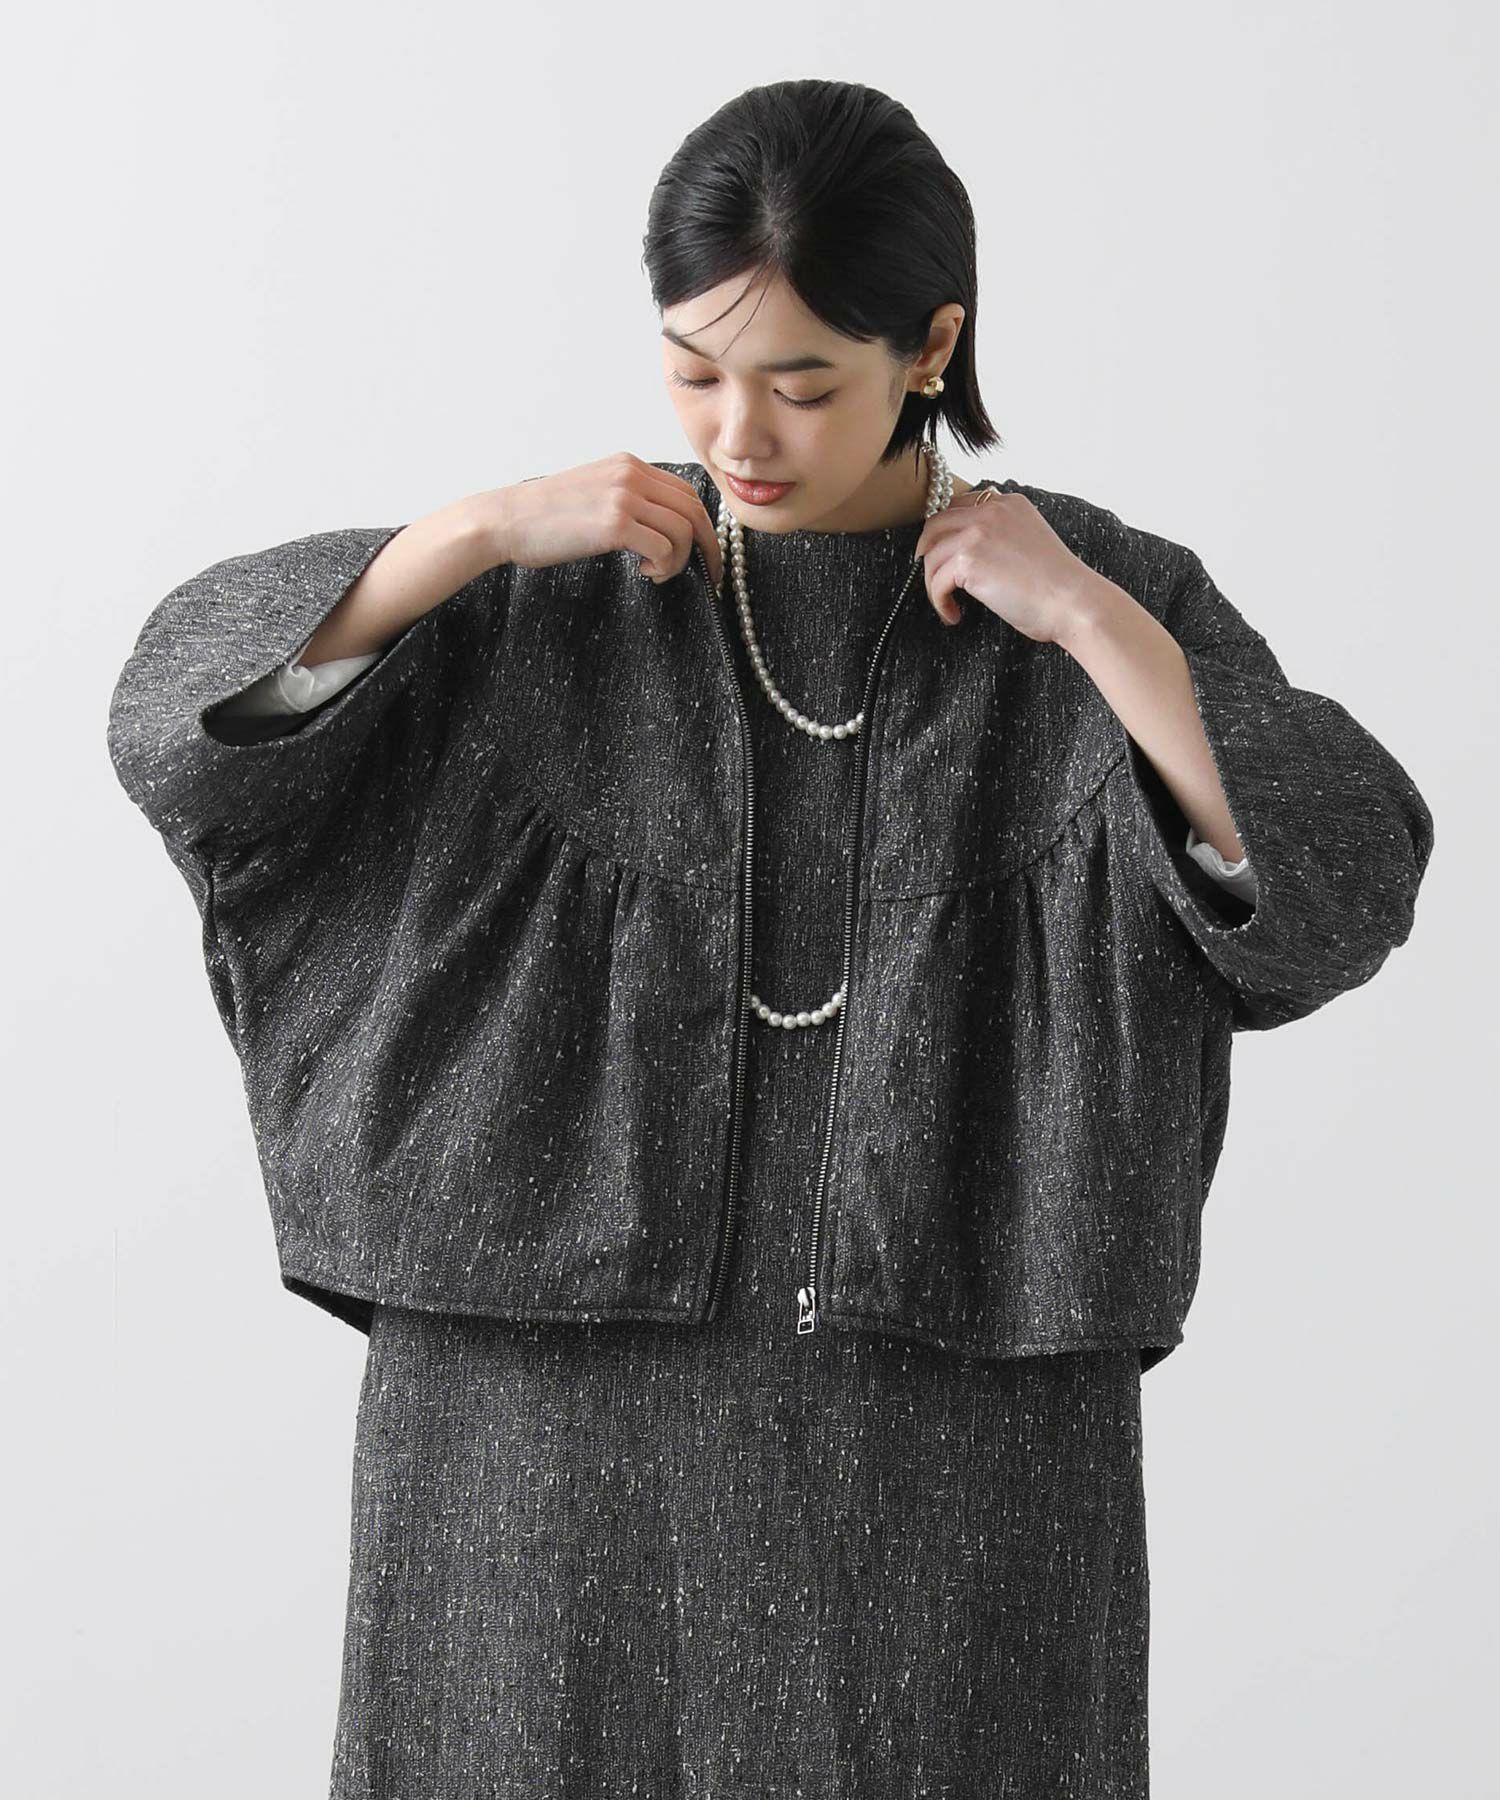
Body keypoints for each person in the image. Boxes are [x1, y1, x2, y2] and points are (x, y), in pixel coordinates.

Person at [106, 79, 1433, 1800]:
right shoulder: (547, 590)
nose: (742, 432)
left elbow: (1332, 890)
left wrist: (1095, 625)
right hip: (530, 1423)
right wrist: (468, 540)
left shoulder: (1095, 601)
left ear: (932, 345)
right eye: (694, 372)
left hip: (955, 1421)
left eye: (803, 384)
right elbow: (193, 752)